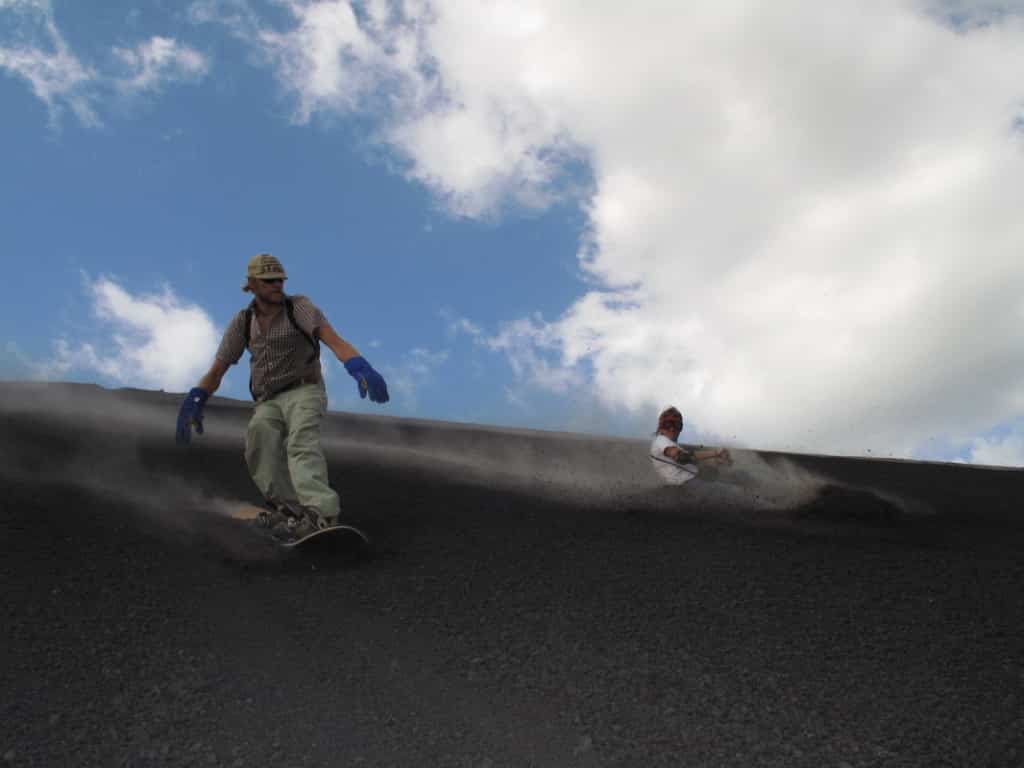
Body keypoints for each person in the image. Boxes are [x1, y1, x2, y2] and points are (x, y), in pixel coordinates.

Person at [175, 253, 389, 541]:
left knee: (301, 443)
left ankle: (321, 514)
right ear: (251, 284)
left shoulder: (298, 307)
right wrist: (197, 398)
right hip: (268, 400)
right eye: (269, 281)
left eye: (280, 279)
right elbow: (219, 368)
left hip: (304, 389)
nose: (277, 285)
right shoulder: (243, 321)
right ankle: (292, 512)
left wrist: (359, 367)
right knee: (259, 445)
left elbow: (333, 339)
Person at [649, 406, 731, 486]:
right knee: (733, 491)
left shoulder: (669, 444)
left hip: (693, 479)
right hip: (687, 484)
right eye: (667, 424)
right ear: (661, 426)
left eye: (677, 425)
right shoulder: (661, 441)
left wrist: (716, 461)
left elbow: (691, 460)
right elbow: (682, 457)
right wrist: (715, 453)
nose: (672, 429)